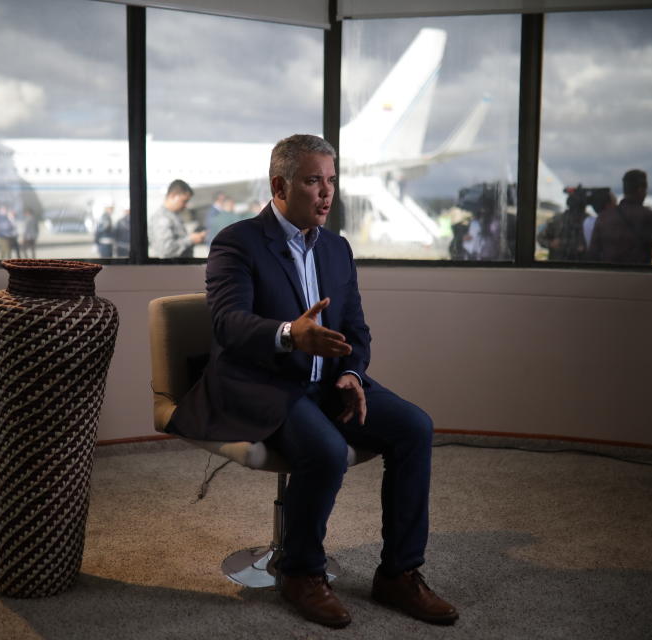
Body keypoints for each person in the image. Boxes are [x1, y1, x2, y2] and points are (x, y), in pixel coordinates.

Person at [167, 134, 457, 629]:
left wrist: (349, 373)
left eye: (331, 181)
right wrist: (289, 335)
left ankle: (399, 574)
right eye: (312, 181)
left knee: (415, 427)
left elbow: (357, 330)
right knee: (324, 450)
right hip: (264, 382)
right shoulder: (237, 242)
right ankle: (301, 573)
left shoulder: (338, 249)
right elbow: (227, 324)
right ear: (280, 185)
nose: (327, 193)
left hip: (327, 382)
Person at [587, 169, 652, 264]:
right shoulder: (651, 217)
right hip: (641, 276)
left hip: (610, 275)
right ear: (641, 189)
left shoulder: (604, 217)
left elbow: (593, 254)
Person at [148, 179, 206, 258]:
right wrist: (190, 239)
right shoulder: (162, 218)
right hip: (170, 269)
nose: (186, 205)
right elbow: (166, 250)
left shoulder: (173, 216)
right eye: (184, 201)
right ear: (172, 196)